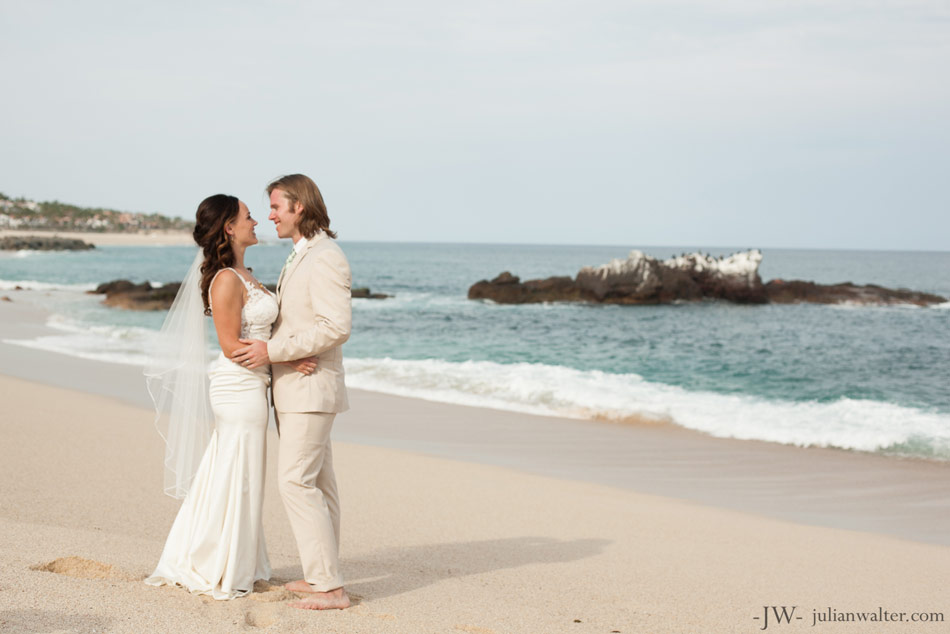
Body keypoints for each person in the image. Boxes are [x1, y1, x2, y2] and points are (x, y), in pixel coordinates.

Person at [144, 194, 316, 599]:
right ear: (229, 228)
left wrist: (284, 356)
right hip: (237, 387)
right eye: (248, 216)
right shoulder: (225, 279)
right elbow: (231, 347)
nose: (257, 221)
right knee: (236, 473)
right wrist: (286, 362)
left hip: (254, 385)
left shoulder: (248, 274)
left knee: (239, 473)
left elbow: (261, 337)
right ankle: (217, 561)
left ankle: (234, 557)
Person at [232, 174, 352, 610]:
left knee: (294, 482)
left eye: (277, 207)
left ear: (299, 206)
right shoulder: (301, 255)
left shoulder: (325, 257)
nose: (270, 215)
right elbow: (301, 322)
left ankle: (330, 587)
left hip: (310, 389)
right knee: (319, 484)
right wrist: (282, 356)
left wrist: (274, 351)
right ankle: (323, 574)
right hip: (297, 387)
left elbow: (336, 326)